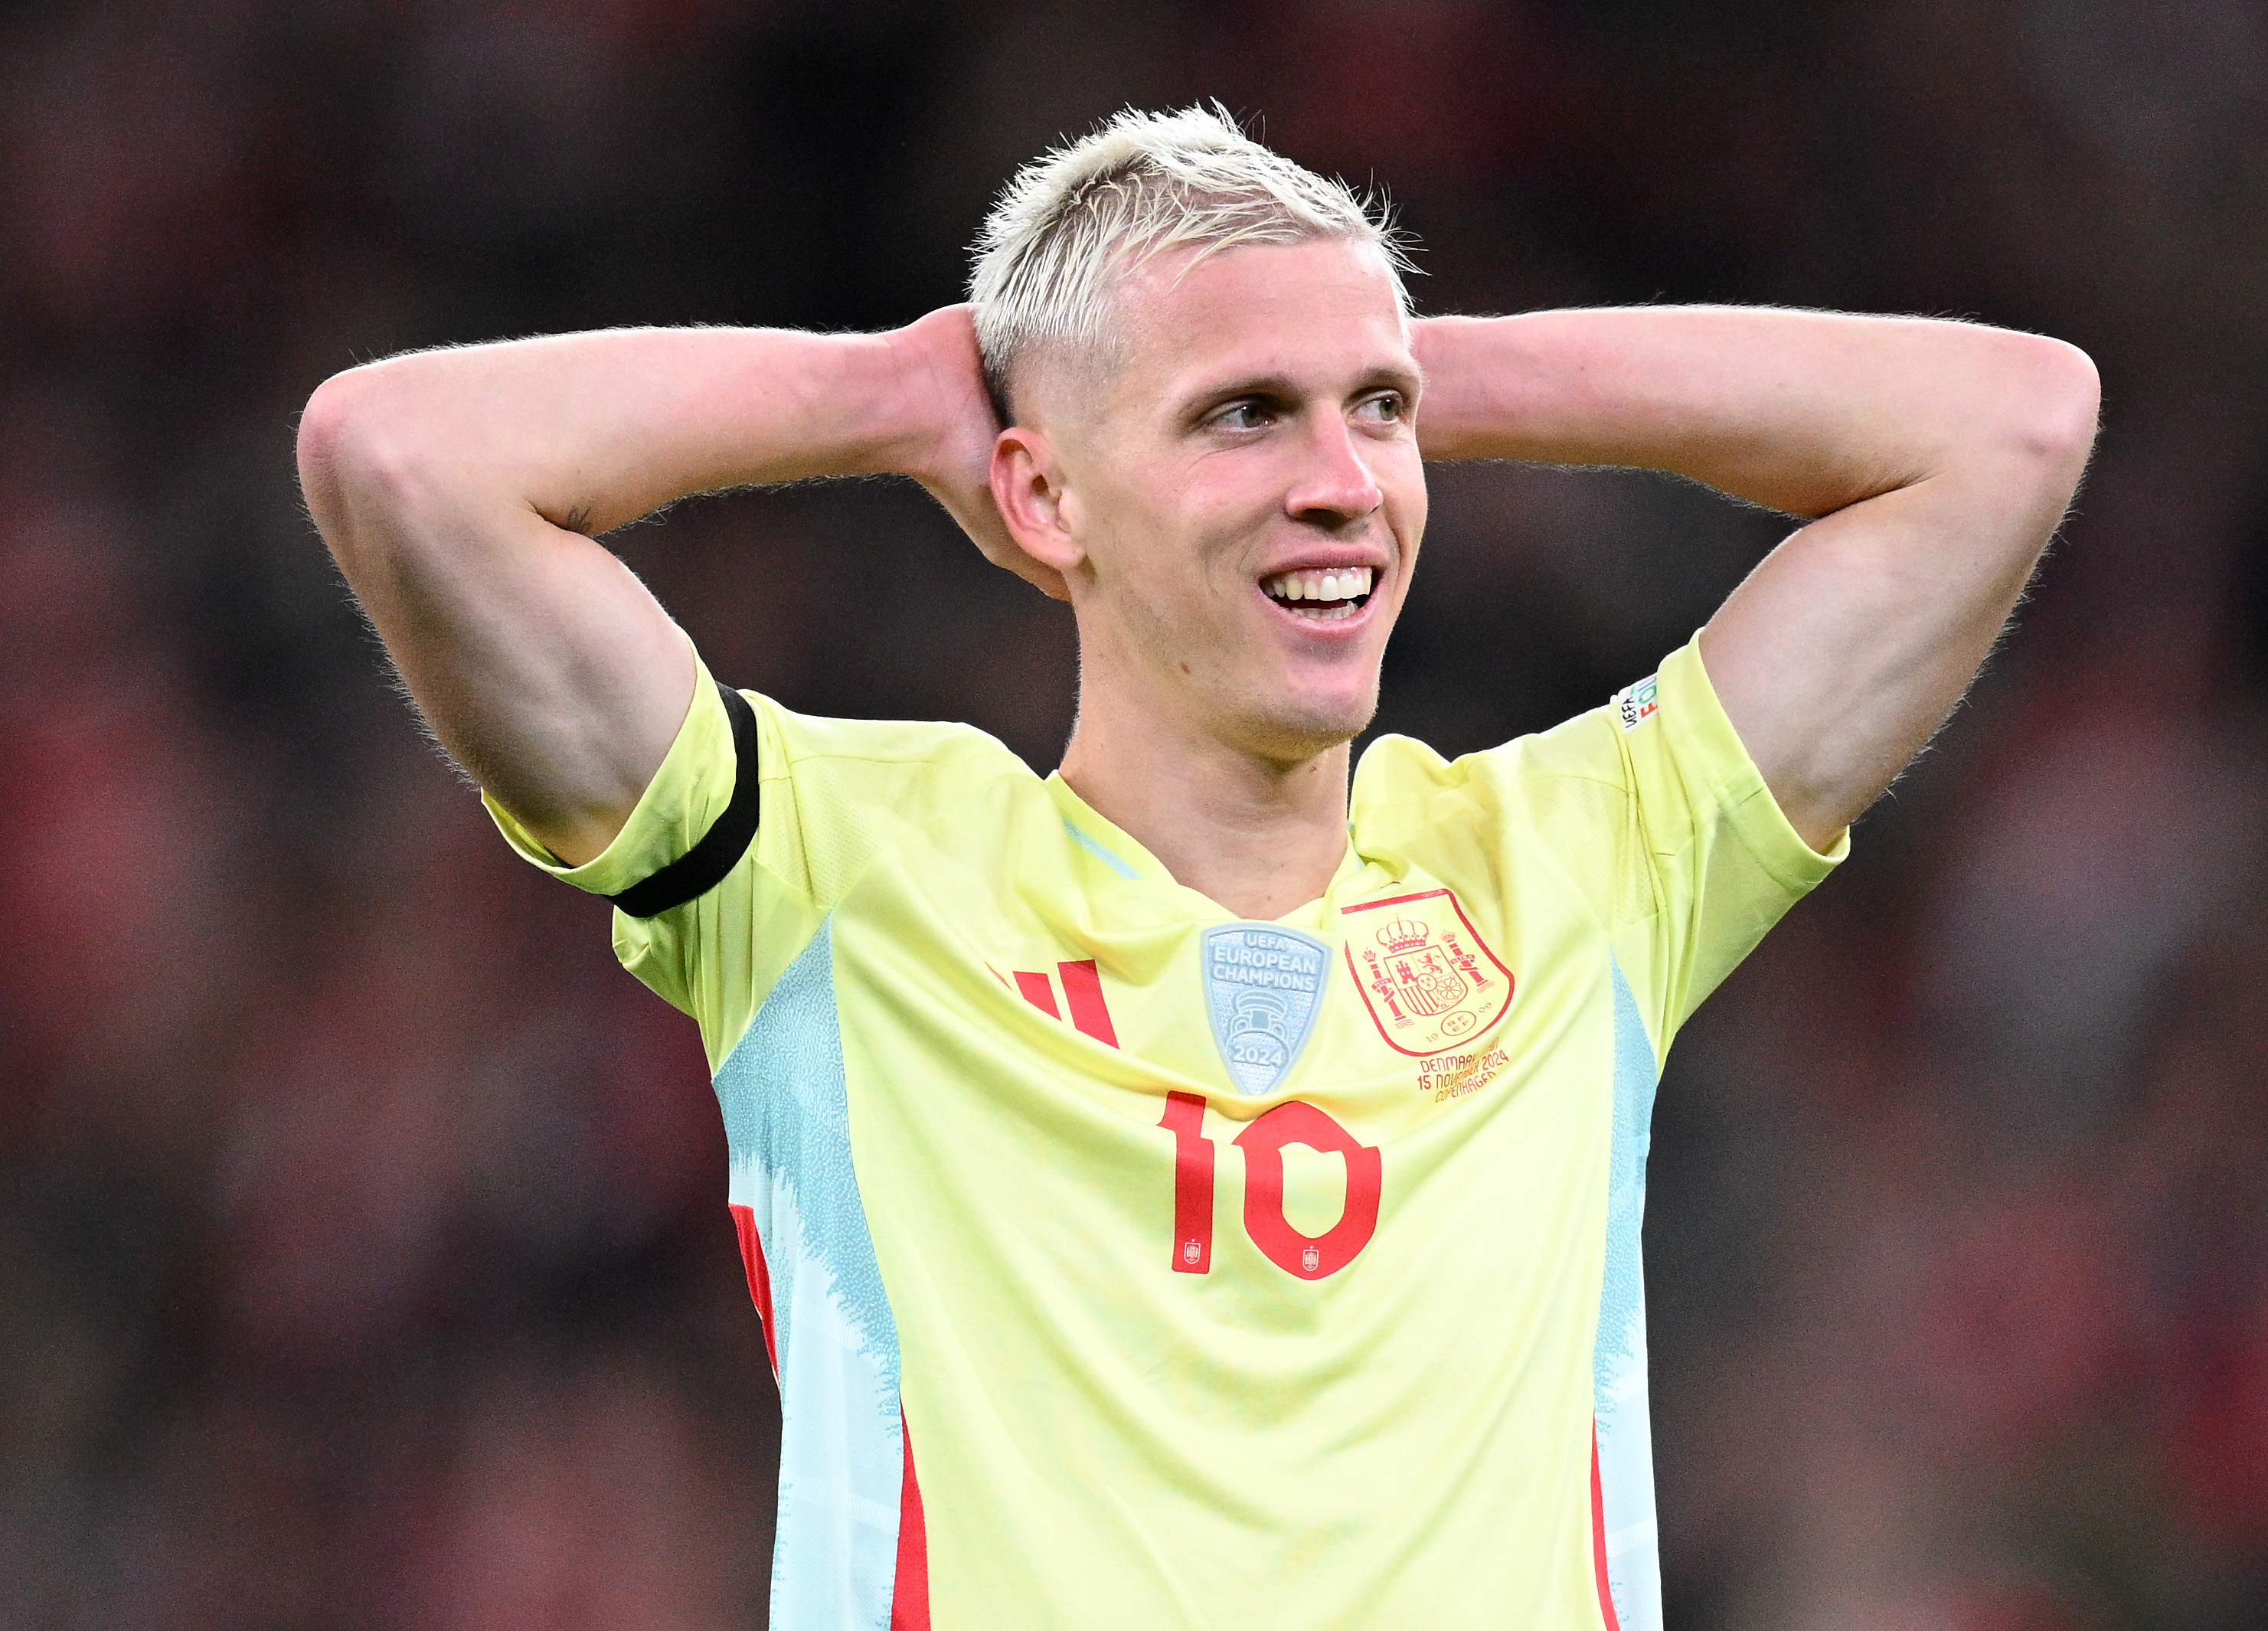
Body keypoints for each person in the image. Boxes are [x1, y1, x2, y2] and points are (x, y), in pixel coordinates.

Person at [296, 105, 2096, 1631]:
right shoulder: (840, 879)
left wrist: (1415, 366)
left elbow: (2010, 424)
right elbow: (400, 458)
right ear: (1042, 495)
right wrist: (884, 392)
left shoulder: (1577, 865)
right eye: (1242, 416)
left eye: (1375, 416)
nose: (1345, 483)